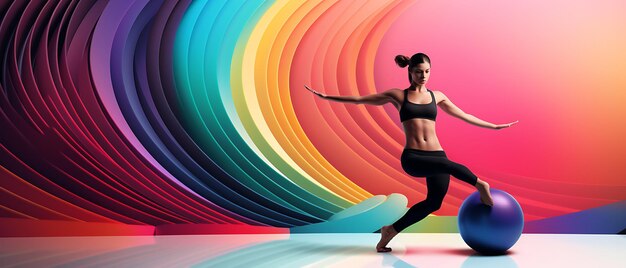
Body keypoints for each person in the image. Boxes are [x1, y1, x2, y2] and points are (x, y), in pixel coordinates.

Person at [304, 53, 518, 253]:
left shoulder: (438, 96)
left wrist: (494, 126)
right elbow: (362, 99)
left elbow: (464, 115)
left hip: (437, 156)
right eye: (418, 72)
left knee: (434, 202)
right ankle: (481, 184)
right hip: (414, 157)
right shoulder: (398, 95)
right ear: (410, 71)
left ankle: (390, 230)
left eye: (426, 71)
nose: (423, 76)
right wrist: (327, 97)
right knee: (450, 166)